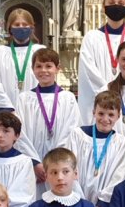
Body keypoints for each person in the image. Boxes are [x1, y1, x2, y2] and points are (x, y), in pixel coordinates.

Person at [15, 48, 80, 198]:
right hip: (33, 167)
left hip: (60, 168)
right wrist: (35, 163)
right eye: (39, 66)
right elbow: (20, 134)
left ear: (58, 69)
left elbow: (71, 130)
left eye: (48, 66)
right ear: (32, 69)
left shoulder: (67, 98)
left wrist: (55, 164)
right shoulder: (24, 99)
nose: (43, 70)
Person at [77, 0, 125, 123]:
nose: (116, 6)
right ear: (104, 7)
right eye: (111, 3)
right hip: (100, 106)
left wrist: (124, 95)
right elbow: (88, 74)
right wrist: (108, 95)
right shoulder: (91, 38)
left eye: (121, 3)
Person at [0, 8, 44, 109]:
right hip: (6, 112)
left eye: (25, 24)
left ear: (31, 27)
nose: (21, 27)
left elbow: (45, 81)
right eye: (17, 25)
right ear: (10, 28)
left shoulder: (40, 51)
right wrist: (8, 108)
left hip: (35, 109)